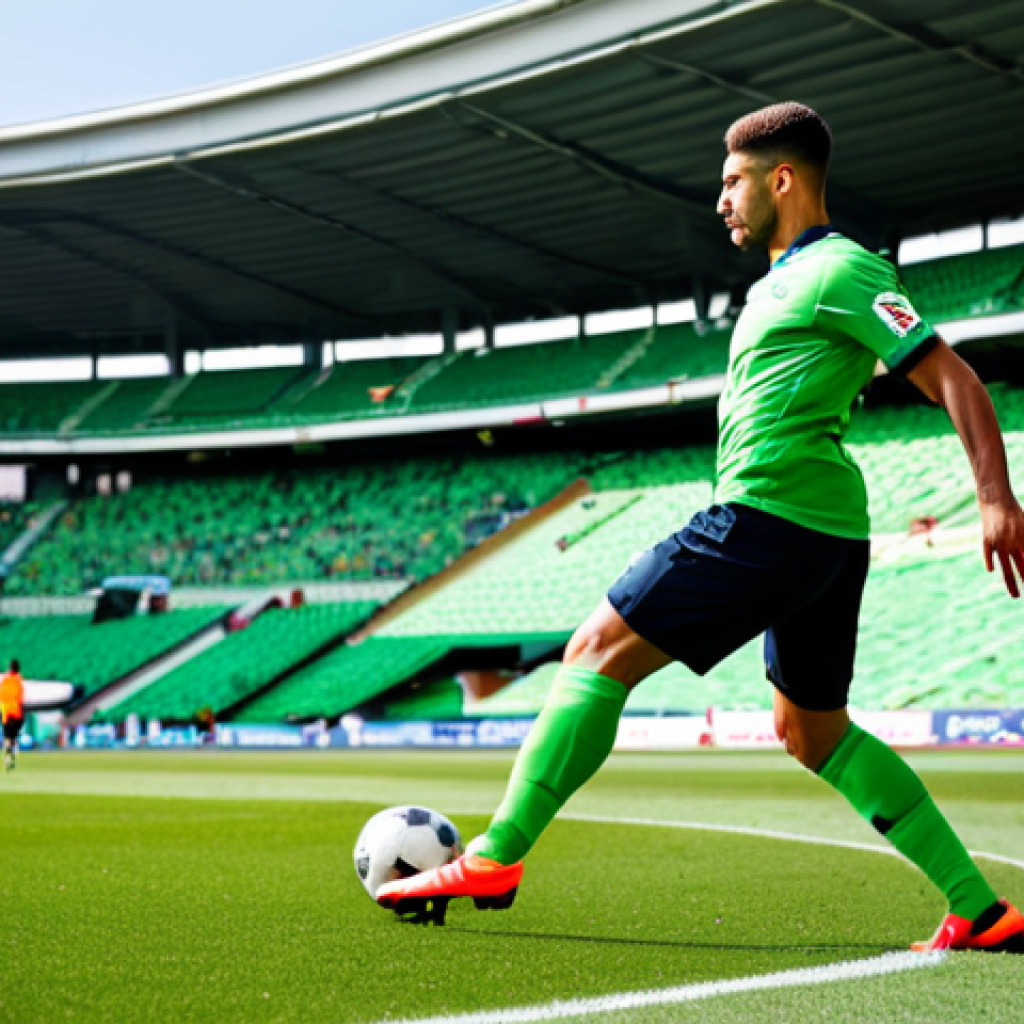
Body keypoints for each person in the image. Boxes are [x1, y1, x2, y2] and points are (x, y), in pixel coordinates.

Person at [377, 103, 1024, 953]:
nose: (721, 200)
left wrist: (994, 498)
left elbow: (955, 377)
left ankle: (496, 853)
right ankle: (980, 908)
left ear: (781, 179)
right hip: (823, 534)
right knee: (811, 731)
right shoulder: (782, 282)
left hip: (767, 516)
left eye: (733, 181)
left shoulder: (845, 272)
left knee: (593, 652)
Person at [1, 659, 25, 773]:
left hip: (6, 712)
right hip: (16, 712)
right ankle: (13, 754)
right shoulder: (18, 680)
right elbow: (20, 697)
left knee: (7, 737)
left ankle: (7, 756)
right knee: (14, 736)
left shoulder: (5, 680)